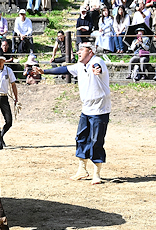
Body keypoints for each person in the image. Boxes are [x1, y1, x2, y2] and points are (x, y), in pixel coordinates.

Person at [33, 42, 111, 185]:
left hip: (100, 110)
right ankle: (82, 169)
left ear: (91, 52)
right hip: (86, 109)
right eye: (78, 49)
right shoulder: (80, 66)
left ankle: (97, 174)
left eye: (82, 50)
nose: (78, 52)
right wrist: (44, 71)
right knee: (81, 138)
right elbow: (64, 70)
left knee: (96, 141)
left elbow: (98, 67)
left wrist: (97, 71)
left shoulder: (97, 61)